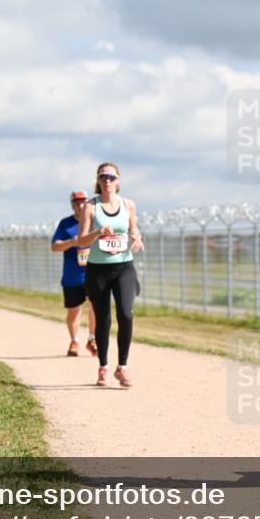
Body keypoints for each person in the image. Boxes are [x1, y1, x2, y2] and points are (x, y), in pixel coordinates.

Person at [76, 162, 144, 387]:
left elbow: (133, 228)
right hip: (98, 269)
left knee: (126, 313)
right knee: (103, 319)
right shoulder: (90, 206)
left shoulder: (128, 205)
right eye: (103, 177)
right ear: (97, 180)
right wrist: (97, 232)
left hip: (124, 267)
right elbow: (81, 241)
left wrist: (137, 238)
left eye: (112, 177)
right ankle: (103, 366)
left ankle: (122, 367)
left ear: (118, 180)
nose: (107, 181)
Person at [51, 191, 98, 357]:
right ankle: (75, 340)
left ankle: (92, 338)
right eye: (77, 203)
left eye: (83, 202)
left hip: (94, 273)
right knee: (73, 311)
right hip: (72, 276)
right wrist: (72, 242)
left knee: (96, 307)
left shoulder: (94, 221)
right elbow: (55, 246)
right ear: (72, 205)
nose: (80, 205)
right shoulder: (66, 224)